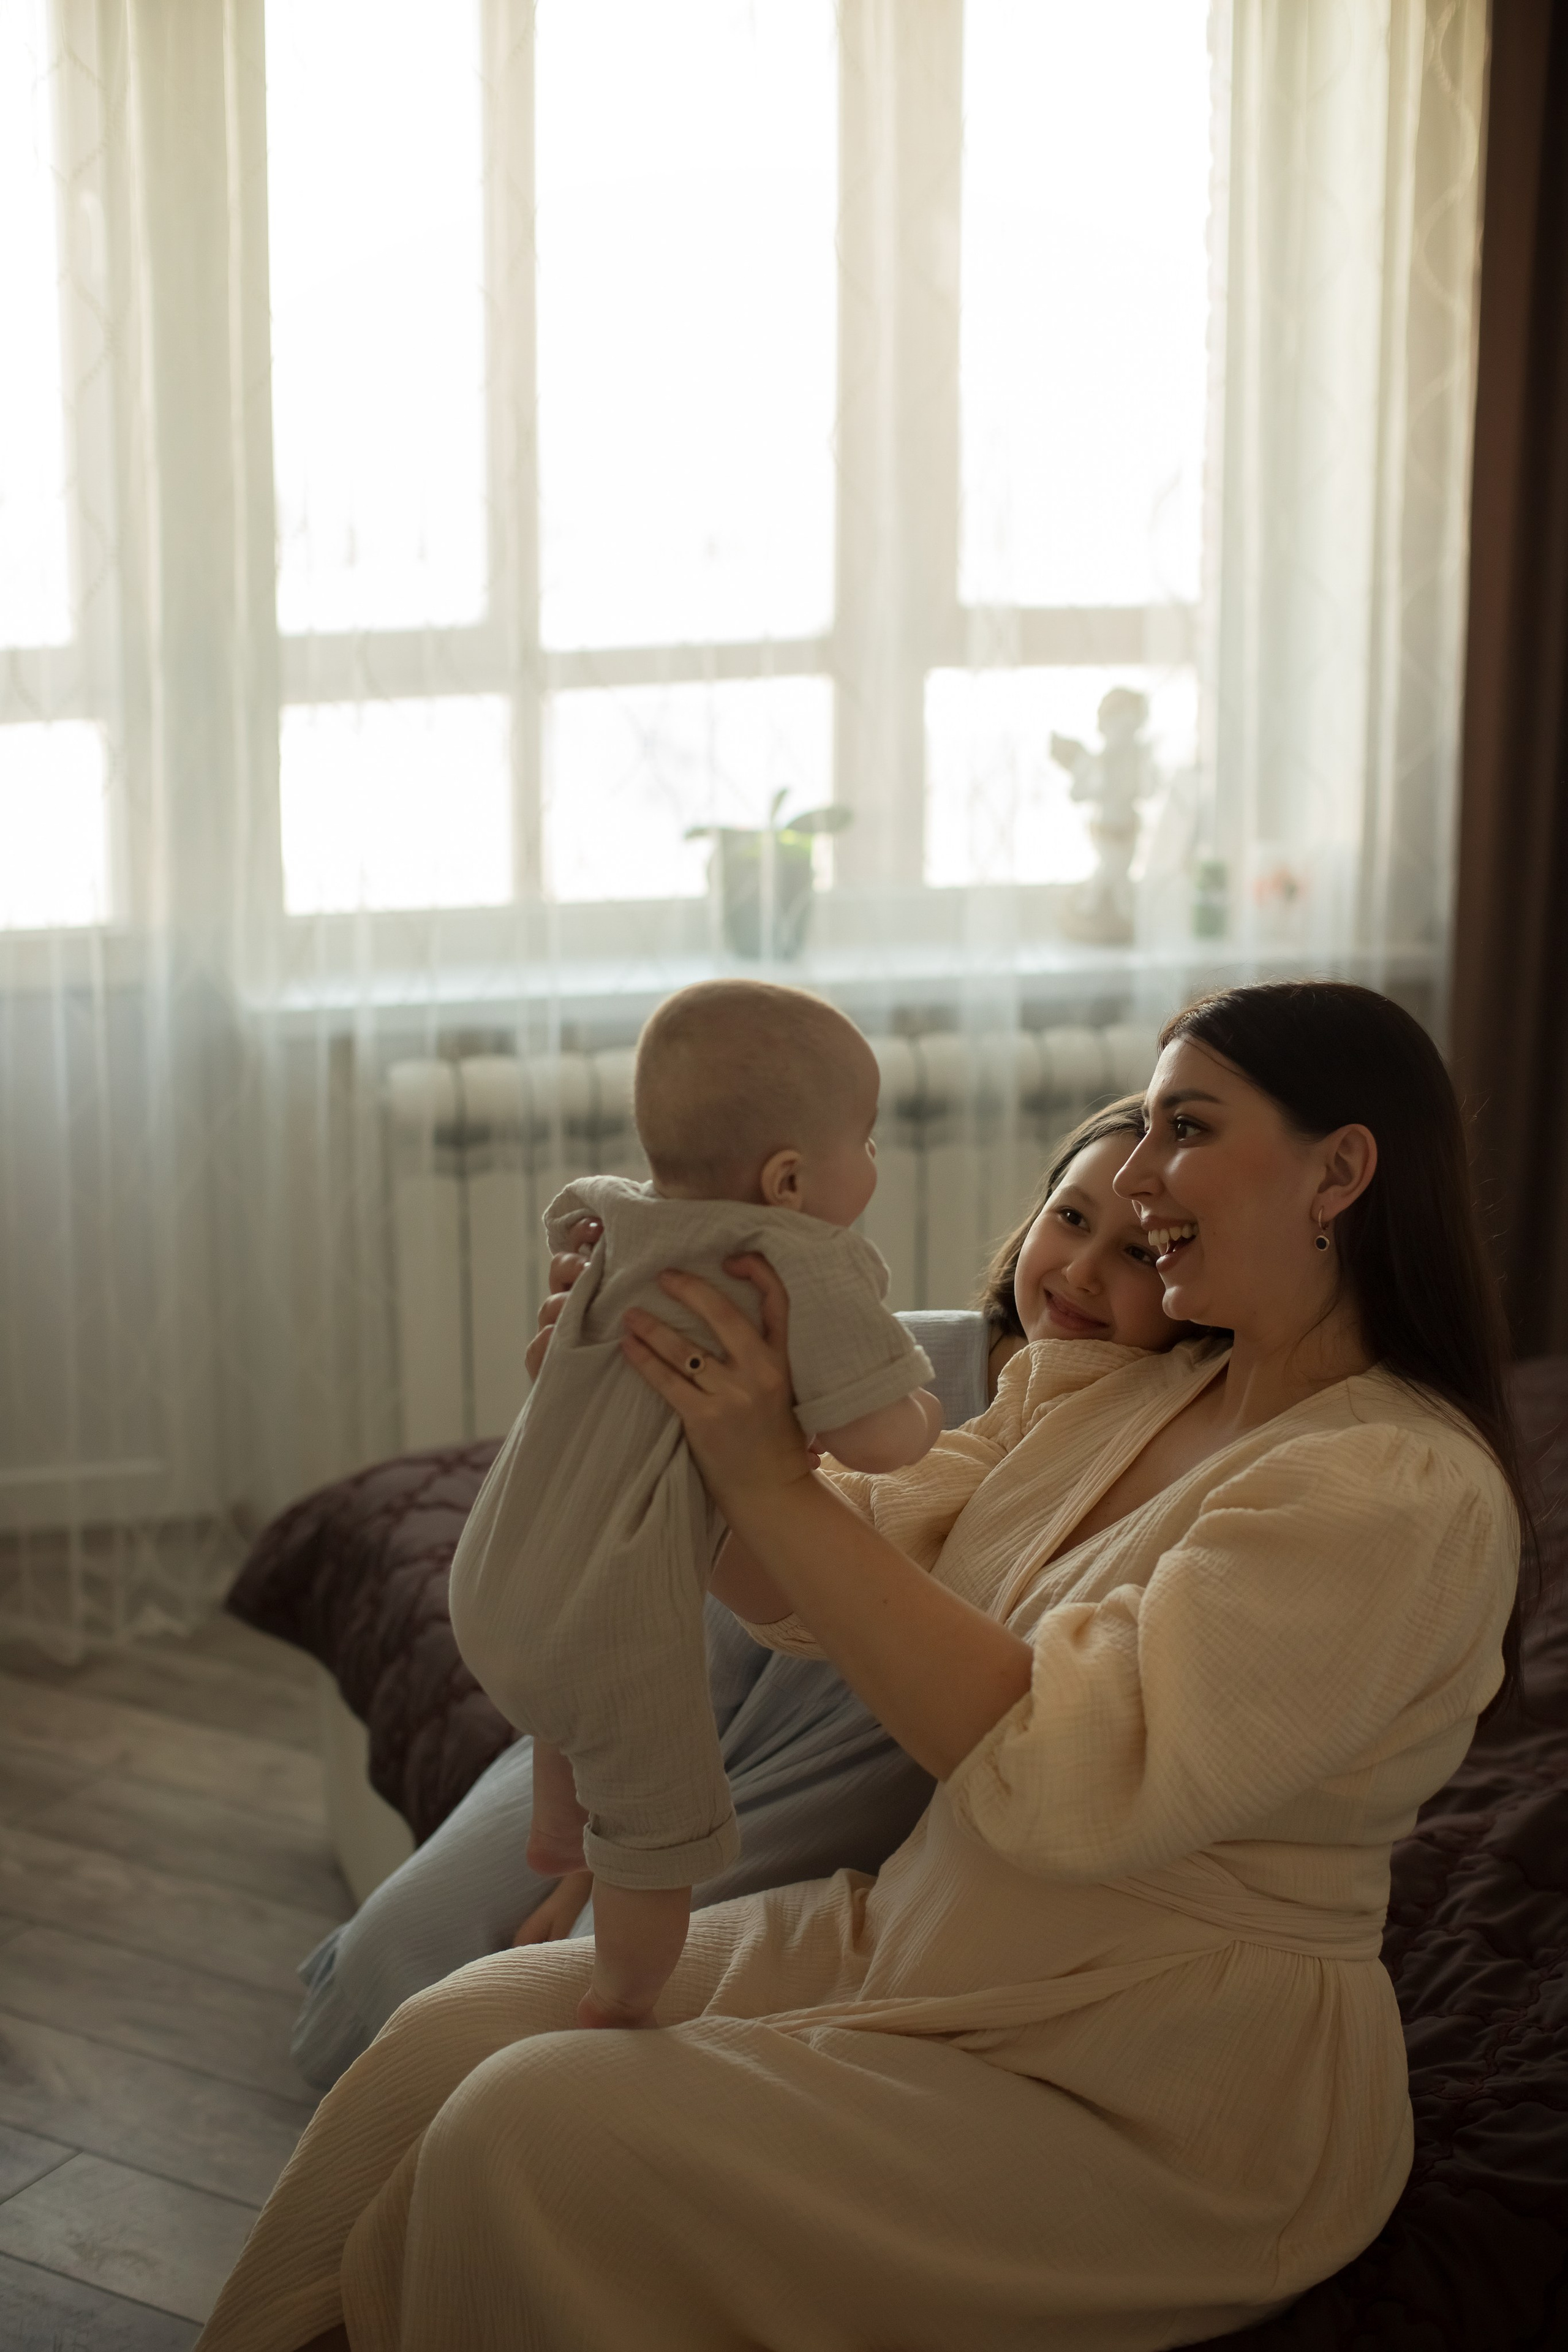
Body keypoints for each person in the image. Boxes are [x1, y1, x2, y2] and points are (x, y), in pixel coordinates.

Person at [202, 981, 1523, 2352]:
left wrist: (768, 1473)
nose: (1134, 1174)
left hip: (1156, 2087)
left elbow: (1064, 1769)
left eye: (1182, 1128)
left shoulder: (1391, 1491)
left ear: (1341, 1172)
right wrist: (660, 1412)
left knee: (526, 2131)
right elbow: (814, 1581)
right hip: (917, 1944)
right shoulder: (1116, 1387)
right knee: (445, 2040)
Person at [291, 1095, 1170, 2090]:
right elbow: (669, 1600)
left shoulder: (1140, 1462)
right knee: (395, 1950)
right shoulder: (897, 1358)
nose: (1085, 1272)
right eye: (1070, 1218)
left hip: (852, 1772)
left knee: (564, 2010)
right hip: (665, 1705)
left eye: (1140, 1255)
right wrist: (599, 1829)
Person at [447, 979, 942, 2030]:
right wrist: (922, 1409)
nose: (874, 1164)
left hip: (490, 1575)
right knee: (660, 1815)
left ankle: (553, 1827)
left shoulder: (615, 1217)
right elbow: (882, 1440)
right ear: (792, 1177)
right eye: (867, 1139)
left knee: (569, 1689)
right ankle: (623, 1996)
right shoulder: (803, 1260)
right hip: (600, 1628)